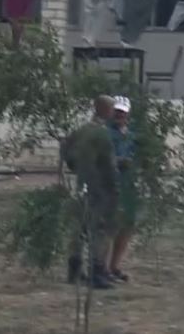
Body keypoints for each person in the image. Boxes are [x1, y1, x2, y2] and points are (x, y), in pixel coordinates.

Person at [63, 94, 120, 290]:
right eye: (112, 109)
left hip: (79, 185)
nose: (114, 113)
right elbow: (110, 165)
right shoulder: (102, 134)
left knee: (79, 229)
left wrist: (75, 168)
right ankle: (97, 272)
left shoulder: (81, 130)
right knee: (99, 231)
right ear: (105, 110)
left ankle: (74, 270)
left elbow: (66, 150)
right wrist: (113, 188)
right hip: (98, 188)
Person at [106, 95, 139, 282]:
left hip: (128, 184)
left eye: (122, 113)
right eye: (116, 112)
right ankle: (104, 267)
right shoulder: (106, 133)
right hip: (111, 183)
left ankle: (115, 265)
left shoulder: (132, 135)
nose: (119, 116)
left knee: (127, 226)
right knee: (111, 226)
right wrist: (119, 161)